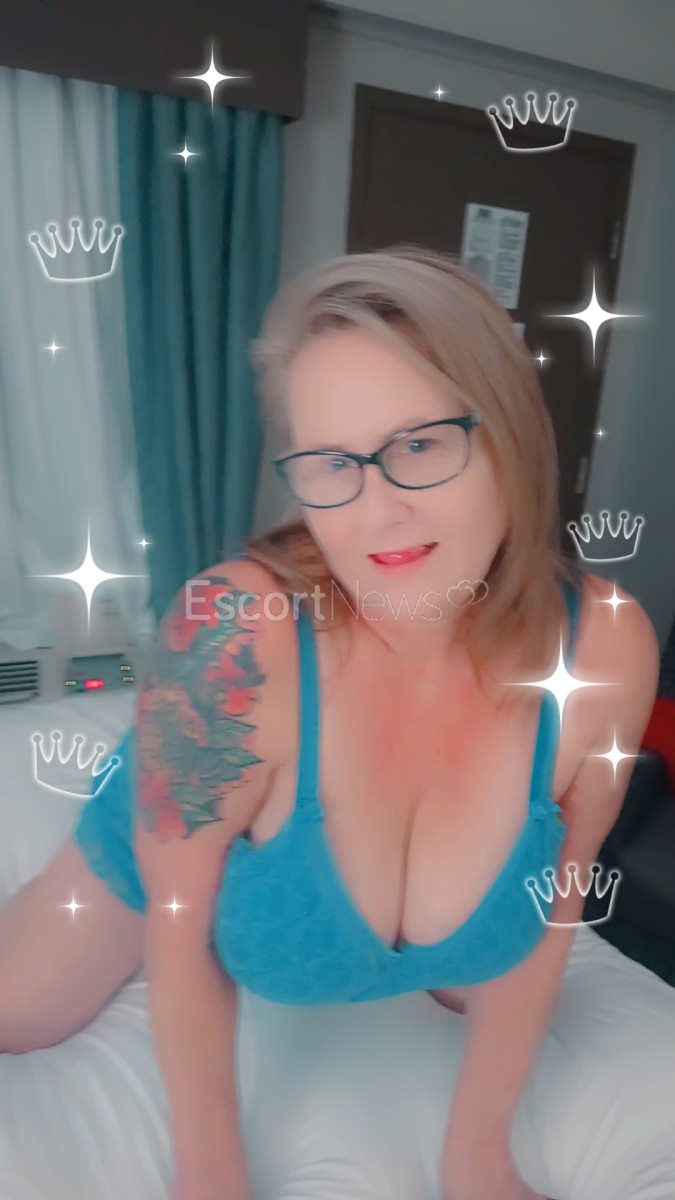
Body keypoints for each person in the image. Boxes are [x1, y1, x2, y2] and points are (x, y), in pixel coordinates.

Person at [0, 247, 660, 1200]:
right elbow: (182, 933)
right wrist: (210, 1176)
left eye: (419, 445)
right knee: (16, 1009)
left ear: (510, 433)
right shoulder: (228, 638)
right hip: (185, 813)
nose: (376, 511)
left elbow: (558, 902)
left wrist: (477, 1159)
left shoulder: (605, 645)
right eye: (331, 464)